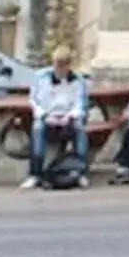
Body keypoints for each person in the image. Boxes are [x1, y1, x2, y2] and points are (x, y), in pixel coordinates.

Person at [23, 46, 90, 190]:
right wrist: (45, 115)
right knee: (38, 128)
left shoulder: (78, 80)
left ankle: (81, 172)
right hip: (47, 116)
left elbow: (80, 104)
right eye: (57, 64)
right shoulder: (41, 77)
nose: (59, 69)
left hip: (68, 116)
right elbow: (34, 101)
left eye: (63, 65)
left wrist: (70, 116)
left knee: (80, 128)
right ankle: (35, 173)